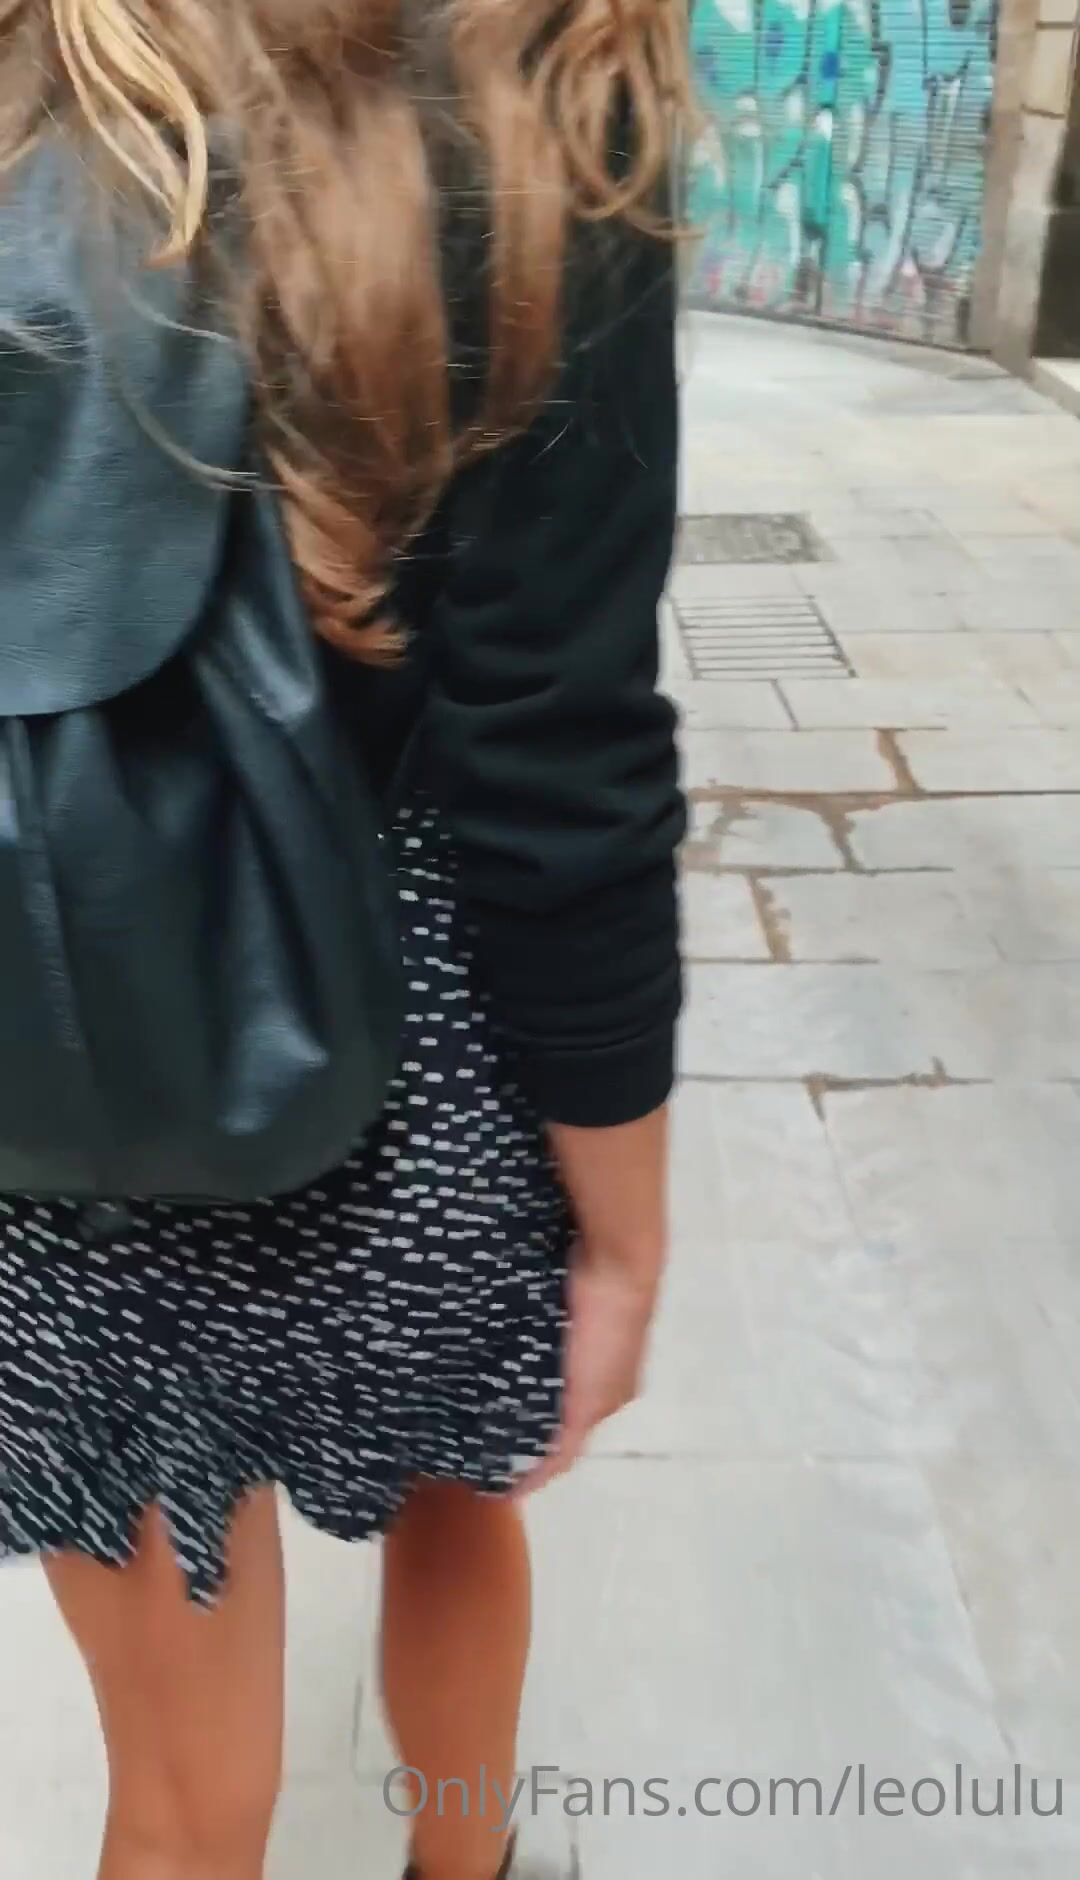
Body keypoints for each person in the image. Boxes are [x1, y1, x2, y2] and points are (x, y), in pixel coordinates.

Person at [0, 2, 688, 1876]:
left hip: (72, 1053)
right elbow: (562, 753)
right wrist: (624, 1222)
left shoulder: (60, 68)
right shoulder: (544, 86)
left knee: (179, 1802)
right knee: (463, 1498)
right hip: (425, 1054)